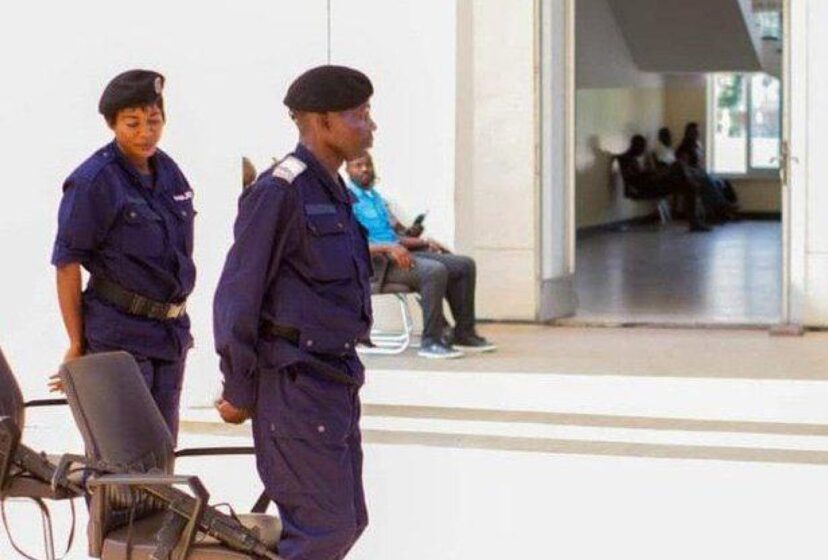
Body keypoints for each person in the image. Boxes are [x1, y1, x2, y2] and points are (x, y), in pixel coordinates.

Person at [214, 65, 376, 558]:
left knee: (347, 521)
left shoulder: (334, 191)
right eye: (360, 115)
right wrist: (238, 385)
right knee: (323, 530)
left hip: (334, 379)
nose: (370, 125)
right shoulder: (280, 191)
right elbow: (237, 295)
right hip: (294, 386)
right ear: (323, 122)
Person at [51, 69, 196, 439]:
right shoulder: (94, 180)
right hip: (119, 336)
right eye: (132, 123)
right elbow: (67, 264)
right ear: (112, 124)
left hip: (169, 335)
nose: (146, 133)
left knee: (162, 450)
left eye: (154, 121)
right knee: (121, 455)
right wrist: (76, 344)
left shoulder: (170, 172)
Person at [346, 153, 496, 359]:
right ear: (347, 170)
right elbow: (349, 244)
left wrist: (426, 242)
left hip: (398, 256)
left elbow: (395, 236)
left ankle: (464, 333)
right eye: (358, 165)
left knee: (464, 265)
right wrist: (389, 248)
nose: (365, 169)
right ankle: (431, 341)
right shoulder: (345, 200)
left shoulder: (376, 199)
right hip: (376, 266)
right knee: (433, 271)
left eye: (368, 164)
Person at [616, 135, 711, 232]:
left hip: (651, 183)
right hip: (646, 188)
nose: (643, 151)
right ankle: (694, 221)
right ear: (635, 145)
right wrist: (652, 174)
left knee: (688, 185)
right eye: (642, 148)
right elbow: (634, 179)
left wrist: (653, 172)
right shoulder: (625, 158)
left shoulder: (631, 158)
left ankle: (694, 221)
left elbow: (638, 175)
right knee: (678, 167)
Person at [674, 122, 738, 219]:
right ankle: (723, 206)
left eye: (697, 132)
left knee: (720, 181)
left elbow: (698, 163)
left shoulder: (696, 145)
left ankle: (722, 211)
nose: (697, 134)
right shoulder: (684, 147)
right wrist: (695, 175)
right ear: (688, 133)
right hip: (691, 175)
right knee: (708, 182)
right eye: (694, 132)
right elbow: (685, 166)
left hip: (699, 172)